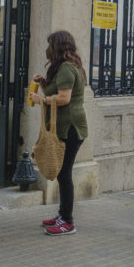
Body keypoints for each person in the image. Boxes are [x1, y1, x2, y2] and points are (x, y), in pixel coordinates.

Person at [29, 31, 89, 235]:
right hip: (68, 126)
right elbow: (57, 92)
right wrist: (44, 84)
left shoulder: (66, 68)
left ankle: (68, 221)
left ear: (58, 47)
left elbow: (64, 99)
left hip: (70, 128)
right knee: (63, 174)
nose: (47, 50)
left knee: (64, 174)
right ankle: (62, 214)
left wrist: (41, 100)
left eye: (50, 45)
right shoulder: (66, 67)